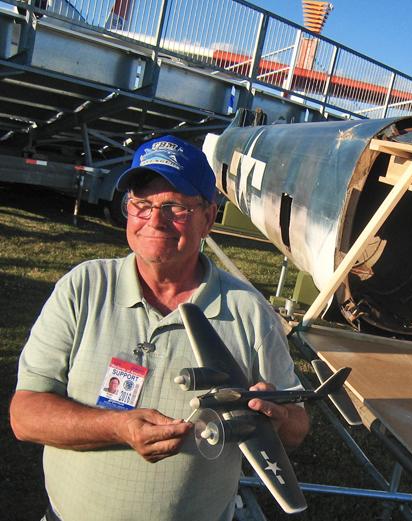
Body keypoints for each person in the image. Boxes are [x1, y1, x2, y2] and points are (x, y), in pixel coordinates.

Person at [9, 135, 310, 521]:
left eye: (174, 207)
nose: (154, 220)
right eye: (142, 204)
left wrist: (277, 417)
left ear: (208, 218)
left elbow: (297, 427)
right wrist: (118, 427)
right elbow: (25, 415)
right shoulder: (83, 287)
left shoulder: (250, 311)